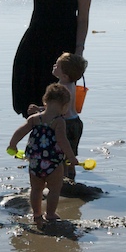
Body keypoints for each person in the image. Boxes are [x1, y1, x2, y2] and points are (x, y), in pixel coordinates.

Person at [8, 83, 77, 226]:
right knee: (54, 189)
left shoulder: (35, 118)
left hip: (35, 161)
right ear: (64, 107)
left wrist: (13, 144)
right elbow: (62, 140)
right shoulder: (58, 122)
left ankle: (37, 213)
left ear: (45, 101)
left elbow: (20, 131)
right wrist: (71, 157)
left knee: (36, 189)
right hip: (53, 162)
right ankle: (50, 214)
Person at [27, 53, 87, 181]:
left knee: (62, 155)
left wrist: (39, 110)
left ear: (64, 75)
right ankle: (72, 180)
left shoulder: (61, 89)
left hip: (65, 124)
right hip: (76, 122)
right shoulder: (72, 84)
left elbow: (57, 110)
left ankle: (63, 181)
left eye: (57, 65)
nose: (54, 66)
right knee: (71, 154)